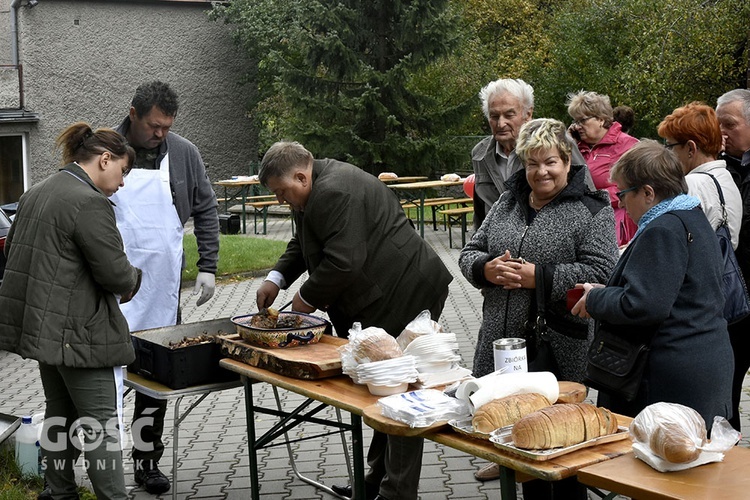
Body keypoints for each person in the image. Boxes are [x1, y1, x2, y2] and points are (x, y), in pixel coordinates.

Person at [255, 141, 452, 500]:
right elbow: (304, 243)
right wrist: (276, 278)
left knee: (403, 391)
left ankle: (395, 493)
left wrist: (304, 300)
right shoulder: (311, 186)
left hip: (408, 290)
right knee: (381, 389)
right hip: (383, 294)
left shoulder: (333, 190)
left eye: (282, 192)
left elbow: (344, 261)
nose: (282, 200)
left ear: (301, 175)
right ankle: (375, 481)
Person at [459, 119, 618, 494]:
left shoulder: (591, 209)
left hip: (558, 345)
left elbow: (603, 272)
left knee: (559, 454)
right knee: (517, 446)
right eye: (532, 163)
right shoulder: (507, 201)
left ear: (567, 161)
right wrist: (487, 268)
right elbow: (469, 252)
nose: (540, 171)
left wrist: (540, 276)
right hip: (504, 342)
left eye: (550, 162)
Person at [0, 123, 141, 499]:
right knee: (101, 429)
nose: (122, 182)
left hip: (45, 333)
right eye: (122, 172)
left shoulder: (36, 192)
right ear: (104, 159)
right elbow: (115, 274)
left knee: (59, 419)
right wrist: (135, 278)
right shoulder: (89, 200)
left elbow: (11, 252)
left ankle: (59, 492)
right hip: (82, 336)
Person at [572, 140, 733, 428]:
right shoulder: (690, 216)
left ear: (648, 193)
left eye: (623, 193)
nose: (619, 202)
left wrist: (596, 299)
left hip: (671, 378)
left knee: (662, 468)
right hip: (700, 364)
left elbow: (643, 305)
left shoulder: (662, 229)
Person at [111, 81, 220, 494]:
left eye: (167, 126)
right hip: (112, 290)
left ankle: (146, 460)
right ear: (134, 113)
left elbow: (207, 207)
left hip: (161, 290)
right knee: (108, 379)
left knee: (153, 383)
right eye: (154, 126)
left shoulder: (184, 153)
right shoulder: (106, 148)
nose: (160, 134)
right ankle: (101, 461)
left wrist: (207, 266)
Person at [471, 78, 592, 229]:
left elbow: (589, 195)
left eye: (509, 115)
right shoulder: (480, 154)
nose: (501, 124)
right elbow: (480, 211)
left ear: (528, 114)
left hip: (548, 240)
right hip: (498, 247)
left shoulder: (556, 142)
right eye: (494, 116)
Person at [657, 102, 741, 248]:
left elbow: (670, 244)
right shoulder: (727, 178)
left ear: (690, 148)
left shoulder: (691, 184)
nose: (668, 154)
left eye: (670, 146)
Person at [716, 89, 750, 433]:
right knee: (726, 392)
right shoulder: (719, 172)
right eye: (717, 125)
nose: (722, 132)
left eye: (730, 124)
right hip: (734, 303)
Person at [567, 90, 639, 246]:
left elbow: (634, 187)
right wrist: (569, 145)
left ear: (600, 119)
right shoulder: (578, 147)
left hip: (617, 221)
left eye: (582, 121)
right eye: (575, 121)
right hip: (583, 221)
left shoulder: (627, 145)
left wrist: (596, 197)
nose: (577, 126)